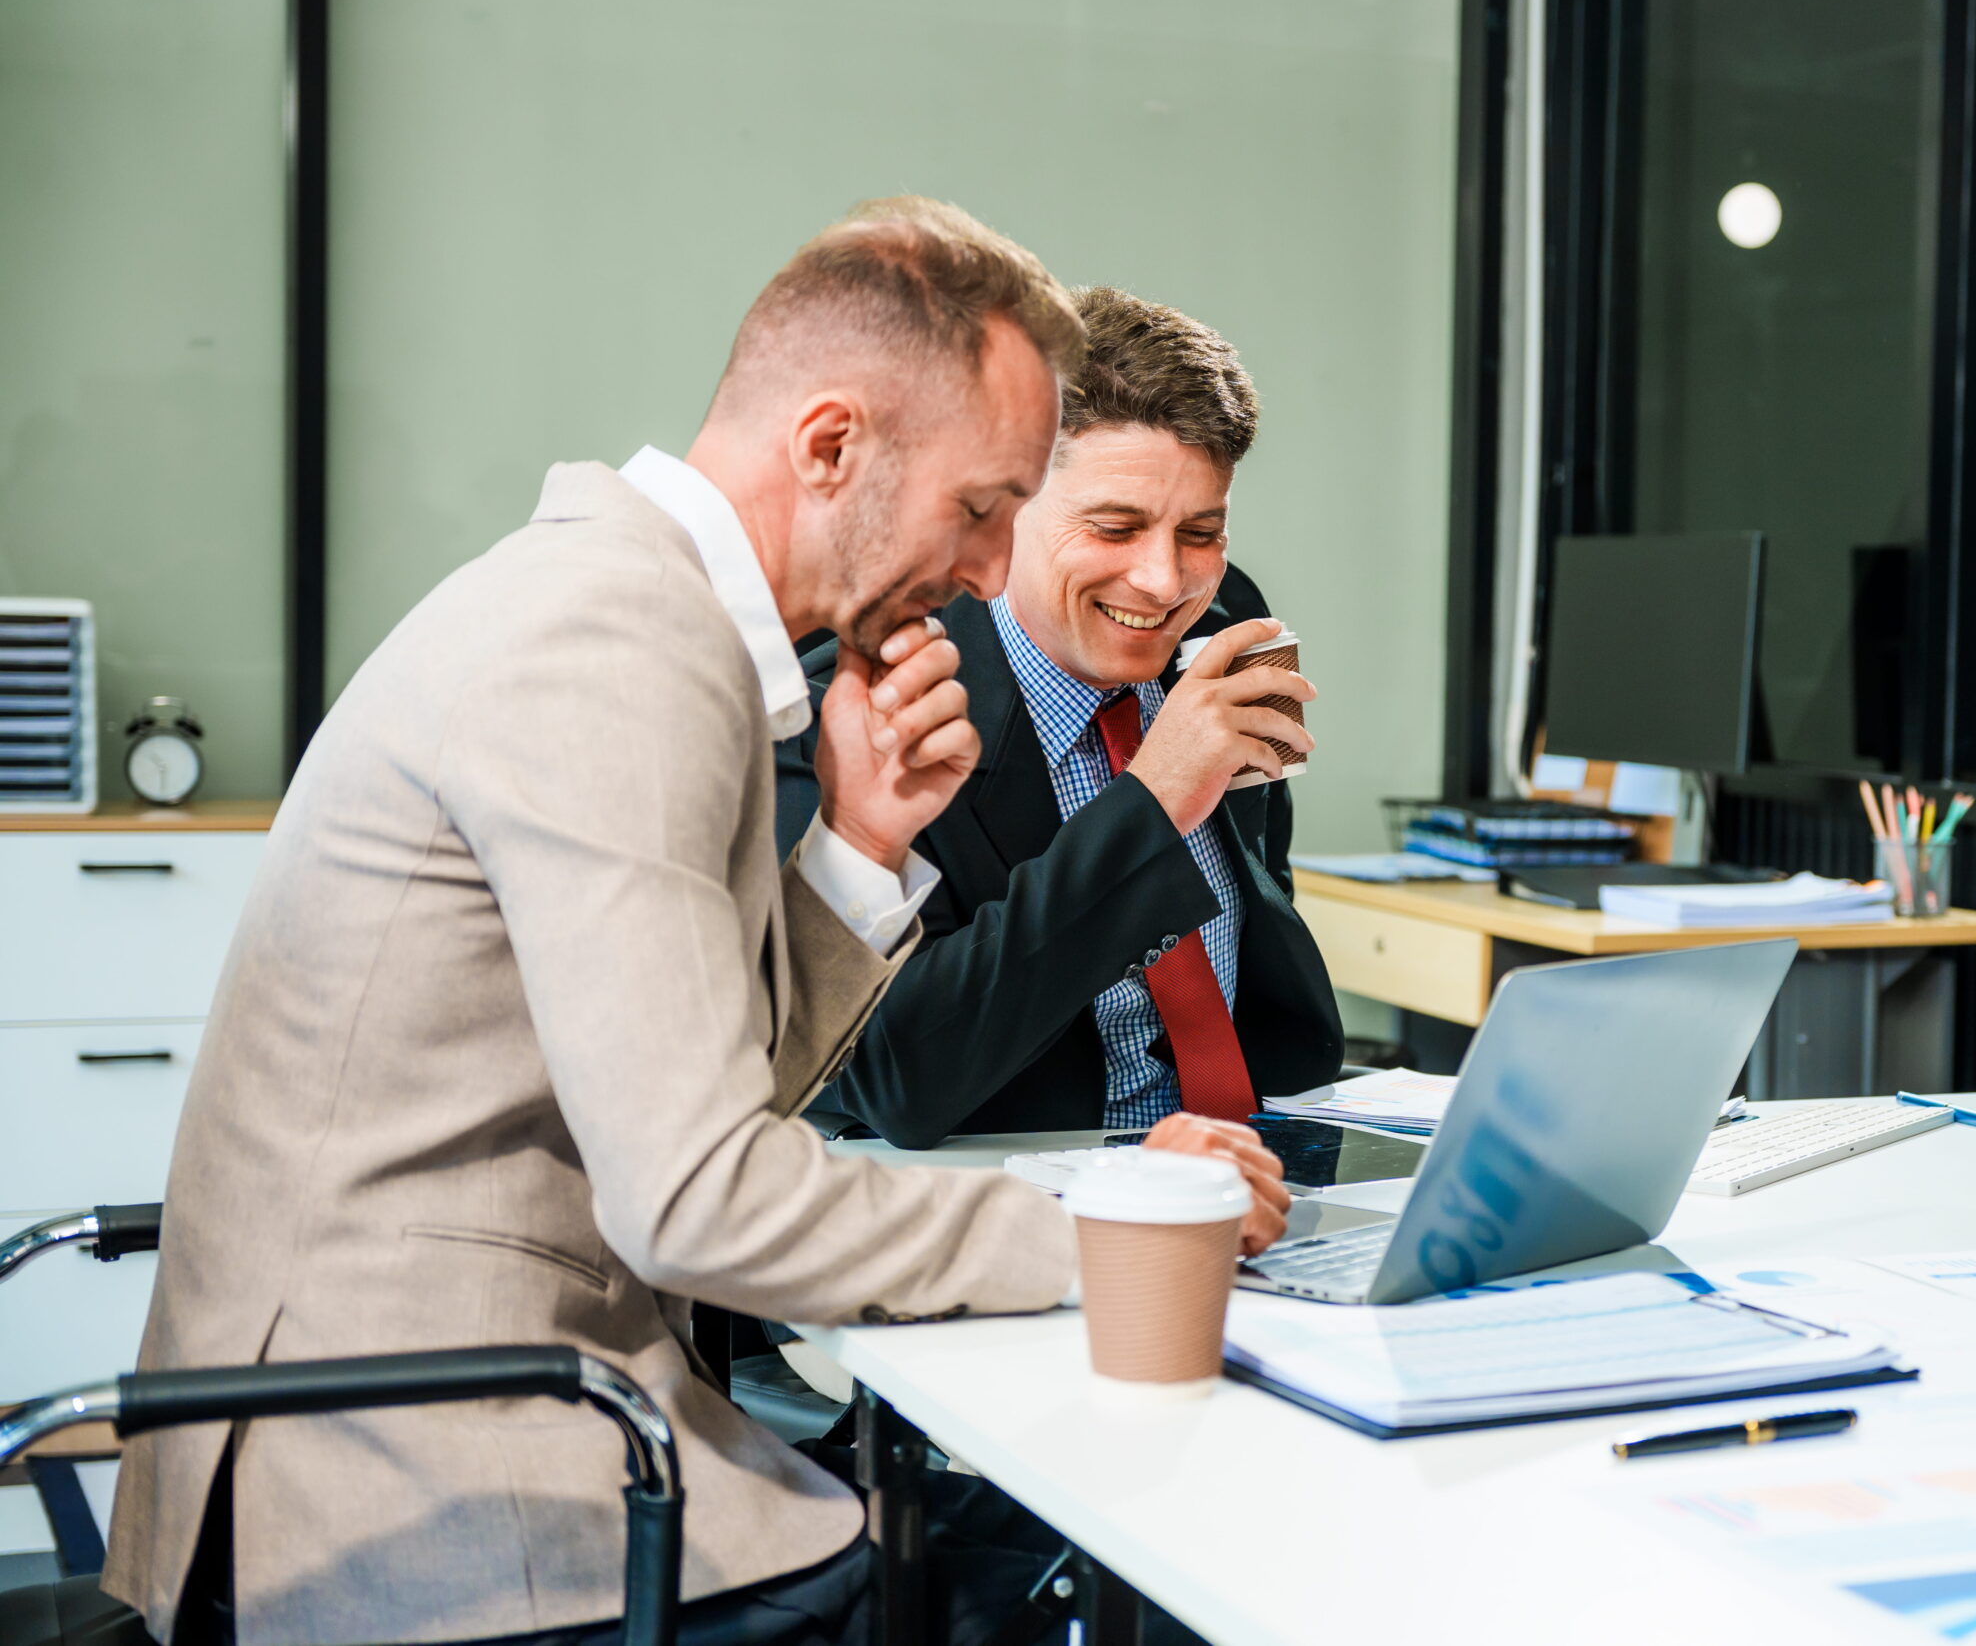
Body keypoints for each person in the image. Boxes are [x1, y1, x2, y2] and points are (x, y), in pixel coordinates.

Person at [101, 200, 1287, 1646]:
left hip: (447, 1399)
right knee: (1037, 1593)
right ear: (831, 445)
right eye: (982, 508)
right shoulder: (616, 648)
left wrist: (858, 843)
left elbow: (710, 1085)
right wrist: (1112, 1226)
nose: (989, 572)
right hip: (418, 1471)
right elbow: (700, 1195)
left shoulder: (627, 608)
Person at [776, 287, 1343, 1147]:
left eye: (1201, 530)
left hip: (1249, 1158)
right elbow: (889, 1070)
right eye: (1115, 527)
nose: (1165, 581)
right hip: (1000, 1204)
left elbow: (1258, 898)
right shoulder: (848, 707)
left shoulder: (1221, 623)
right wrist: (1152, 805)